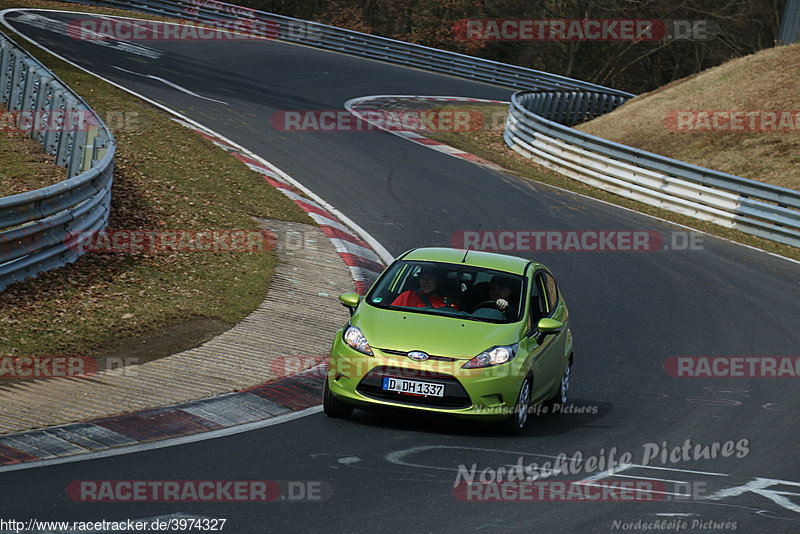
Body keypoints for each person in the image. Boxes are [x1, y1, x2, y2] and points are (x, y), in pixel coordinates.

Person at [392, 267, 458, 309]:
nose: (425, 282)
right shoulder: (406, 296)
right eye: (423, 278)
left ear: (439, 281)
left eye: (430, 278)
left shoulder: (448, 305)